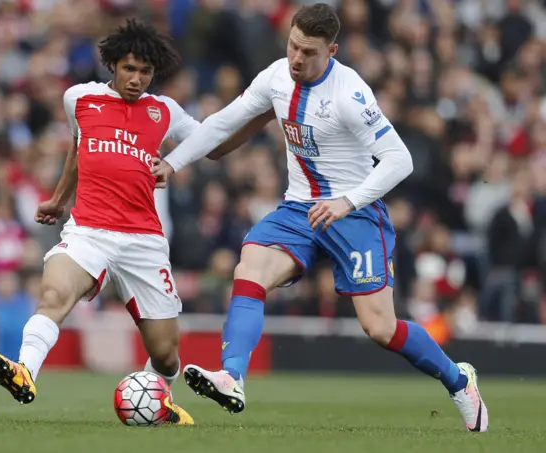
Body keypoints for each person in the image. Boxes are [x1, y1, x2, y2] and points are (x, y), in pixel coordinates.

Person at [152, 3, 488, 432]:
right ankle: (232, 376)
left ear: (332, 50)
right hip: (299, 208)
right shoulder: (275, 77)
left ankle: (460, 380)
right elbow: (220, 124)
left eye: (308, 51)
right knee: (250, 267)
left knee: (380, 328)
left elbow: (399, 160)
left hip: (356, 213)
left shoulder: (350, 94)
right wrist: (173, 163)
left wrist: (348, 202)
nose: (296, 58)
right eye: (292, 45)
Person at [0, 19, 205, 424]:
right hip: (89, 230)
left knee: (166, 353)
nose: (136, 79)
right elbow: (77, 148)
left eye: (145, 72)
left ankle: (160, 399)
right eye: (129, 69)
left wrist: (173, 163)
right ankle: (24, 371)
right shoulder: (80, 99)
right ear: (113, 66)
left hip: (144, 241)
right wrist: (57, 199)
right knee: (53, 293)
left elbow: (209, 138)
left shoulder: (164, 111)